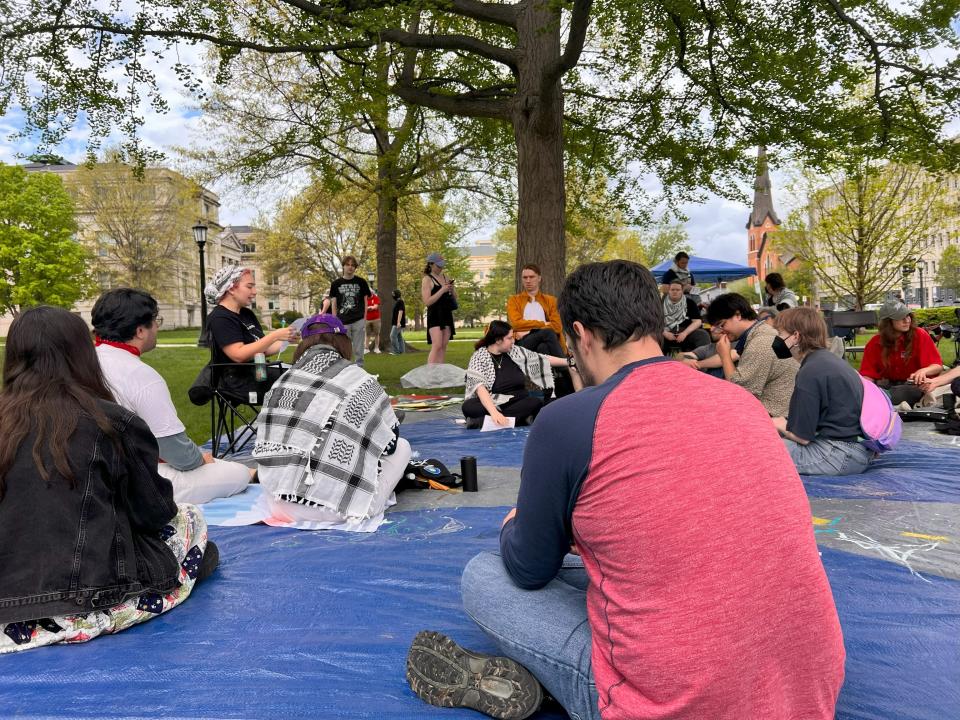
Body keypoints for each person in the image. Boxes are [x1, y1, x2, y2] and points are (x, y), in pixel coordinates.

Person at [407, 261, 844, 720]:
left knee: (486, 573)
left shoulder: (569, 420)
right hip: (805, 688)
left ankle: (559, 680)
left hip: (674, 704)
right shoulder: (740, 403)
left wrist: (515, 526)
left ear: (581, 334)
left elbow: (529, 569)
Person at [0, 307, 216, 654]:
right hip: (85, 598)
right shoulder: (111, 423)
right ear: (83, 354)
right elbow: (155, 513)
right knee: (192, 522)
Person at [92, 289, 252, 504]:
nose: (157, 327)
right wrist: (200, 460)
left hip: (88, 470)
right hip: (129, 481)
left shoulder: (82, 361)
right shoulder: (140, 375)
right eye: (155, 321)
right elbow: (178, 454)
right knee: (238, 473)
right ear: (140, 331)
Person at [252, 314, 411, 529]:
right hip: (339, 509)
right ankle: (353, 495)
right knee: (402, 447)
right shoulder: (358, 379)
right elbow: (390, 443)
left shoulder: (282, 382)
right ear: (343, 342)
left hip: (278, 502)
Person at [771, 308, 874, 475]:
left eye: (780, 334)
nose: (776, 340)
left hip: (837, 456)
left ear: (796, 337)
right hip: (858, 452)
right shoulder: (829, 360)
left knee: (760, 450)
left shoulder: (810, 372)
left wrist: (776, 424)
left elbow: (803, 437)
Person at [462, 320, 577, 429]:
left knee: (534, 403)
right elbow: (479, 388)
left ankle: (482, 421)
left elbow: (541, 359)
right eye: (509, 338)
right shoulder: (479, 357)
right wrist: (494, 413)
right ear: (498, 340)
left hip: (517, 401)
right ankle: (518, 419)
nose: (513, 341)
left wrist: (568, 362)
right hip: (493, 402)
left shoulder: (515, 352)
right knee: (469, 406)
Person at [205, 265, 298, 397]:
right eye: (249, 287)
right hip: (238, 381)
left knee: (306, 372)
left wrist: (289, 339)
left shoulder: (246, 314)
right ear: (231, 288)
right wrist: (274, 336)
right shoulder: (220, 318)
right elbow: (238, 354)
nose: (254, 292)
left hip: (259, 373)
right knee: (303, 380)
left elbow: (262, 349)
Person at [708, 292, 799, 417]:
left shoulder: (760, 344)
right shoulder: (765, 333)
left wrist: (725, 356)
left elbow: (739, 393)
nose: (721, 331)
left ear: (738, 315)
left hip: (775, 417)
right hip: (784, 410)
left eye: (722, 324)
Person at [859, 298, 943, 408]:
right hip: (887, 385)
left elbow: (937, 366)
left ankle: (880, 400)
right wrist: (863, 388)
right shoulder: (875, 343)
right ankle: (881, 399)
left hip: (913, 386)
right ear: (888, 322)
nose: (907, 320)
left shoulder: (919, 334)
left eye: (908, 316)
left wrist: (924, 370)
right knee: (865, 389)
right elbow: (867, 375)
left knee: (909, 391)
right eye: (901, 318)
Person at [506, 263, 565, 356]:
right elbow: (516, 324)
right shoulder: (514, 300)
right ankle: (567, 367)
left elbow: (557, 327)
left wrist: (529, 331)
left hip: (543, 341)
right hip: (522, 342)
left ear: (539, 278)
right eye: (525, 278)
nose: (528, 280)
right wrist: (543, 324)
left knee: (543, 347)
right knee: (548, 332)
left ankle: (553, 370)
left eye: (531, 277)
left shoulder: (551, 301)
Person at [328, 256, 372, 367]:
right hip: (342, 321)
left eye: (353, 265)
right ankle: (344, 369)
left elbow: (365, 301)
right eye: (348, 264)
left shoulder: (361, 282)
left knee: (358, 348)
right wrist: (334, 321)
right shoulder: (336, 284)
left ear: (355, 268)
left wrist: (365, 319)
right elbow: (334, 303)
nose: (350, 267)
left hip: (359, 320)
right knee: (343, 348)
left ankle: (359, 369)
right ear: (343, 266)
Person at [421, 252, 457, 364]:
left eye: (442, 265)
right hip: (435, 315)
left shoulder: (446, 277)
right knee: (437, 345)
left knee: (443, 346)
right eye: (438, 265)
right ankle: (430, 374)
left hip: (446, 313)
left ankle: (440, 375)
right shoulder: (427, 279)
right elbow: (427, 301)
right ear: (431, 264)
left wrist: (451, 289)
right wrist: (442, 290)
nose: (441, 268)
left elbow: (455, 298)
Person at [661, 279, 710, 352]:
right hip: (664, 332)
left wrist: (685, 333)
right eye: (672, 289)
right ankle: (656, 361)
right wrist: (664, 333)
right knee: (650, 336)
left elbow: (697, 321)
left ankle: (699, 359)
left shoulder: (690, 303)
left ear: (682, 291)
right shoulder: (659, 303)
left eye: (678, 290)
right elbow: (652, 322)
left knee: (702, 335)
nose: (675, 292)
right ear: (669, 290)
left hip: (686, 332)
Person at [365, 286, 382, 354]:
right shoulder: (365, 298)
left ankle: (376, 348)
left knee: (376, 334)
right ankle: (366, 348)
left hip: (376, 319)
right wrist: (369, 307)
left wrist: (369, 307)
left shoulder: (375, 297)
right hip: (367, 319)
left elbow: (375, 307)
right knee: (367, 334)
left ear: (371, 292)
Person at [390, 288, 407, 355]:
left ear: (396, 294)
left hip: (398, 323)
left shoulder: (400, 302)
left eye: (393, 294)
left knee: (392, 336)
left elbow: (400, 312)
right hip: (396, 323)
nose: (392, 295)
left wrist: (398, 322)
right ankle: (402, 352)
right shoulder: (398, 302)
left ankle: (396, 352)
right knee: (399, 337)